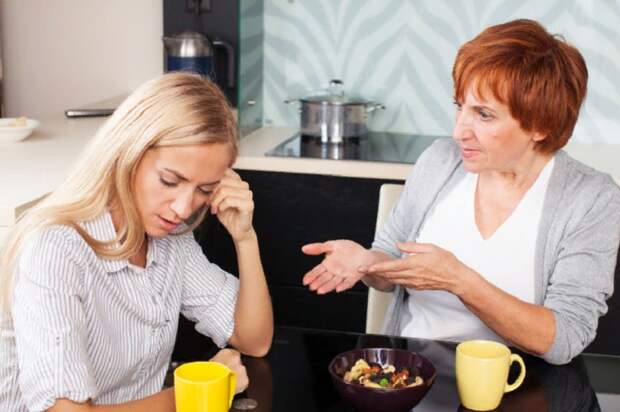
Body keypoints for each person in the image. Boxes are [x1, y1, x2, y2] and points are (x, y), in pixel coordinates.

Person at [302, 19, 620, 365]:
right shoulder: (439, 160)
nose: (458, 132)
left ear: (540, 125)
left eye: (484, 115)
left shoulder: (591, 198)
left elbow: (565, 338)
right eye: (460, 106)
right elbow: (389, 260)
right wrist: (367, 262)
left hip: (522, 385)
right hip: (412, 378)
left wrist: (460, 281)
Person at [0, 73, 273, 411]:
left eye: (204, 190)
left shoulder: (170, 240)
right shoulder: (55, 249)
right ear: (128, 153)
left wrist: (245, 237)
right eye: (169, 180)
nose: (183, 208)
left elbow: (254, 340)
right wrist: (198, 392)